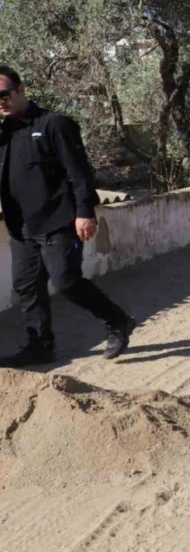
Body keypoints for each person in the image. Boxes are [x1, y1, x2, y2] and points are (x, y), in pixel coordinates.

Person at [0, 65, 135, 367]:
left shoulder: (54, 124)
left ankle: (117, 321)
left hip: (59, 222)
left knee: (66, 280)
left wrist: (85, 212)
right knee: (27, 287)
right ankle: (40, 346)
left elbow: (80, 173)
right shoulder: (4, 135)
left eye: (4, 94)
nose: (1, 102)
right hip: (22, 228)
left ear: (21, 91)